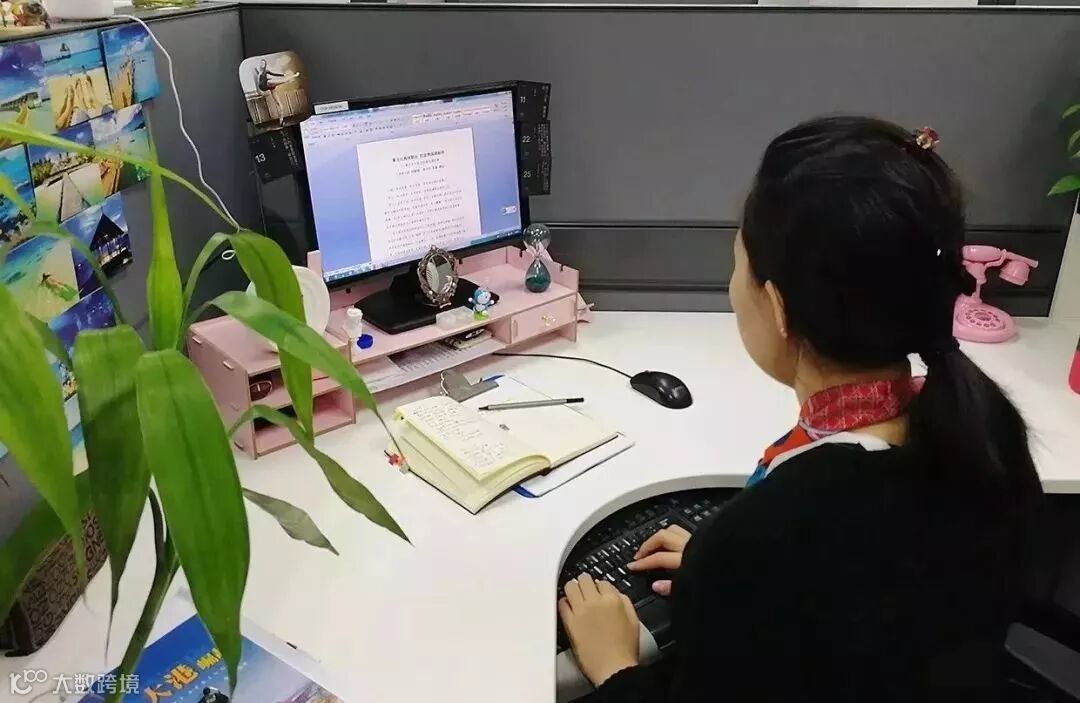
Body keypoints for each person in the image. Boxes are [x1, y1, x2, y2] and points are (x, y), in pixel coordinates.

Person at [557, 116, 1042, 702]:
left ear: (778, 307)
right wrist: (723, 571)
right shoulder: (986, 428)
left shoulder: (780, 533)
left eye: (738, 266)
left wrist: (616, 665)